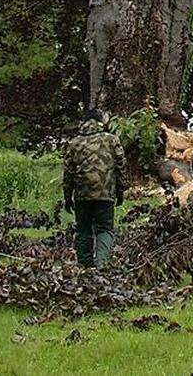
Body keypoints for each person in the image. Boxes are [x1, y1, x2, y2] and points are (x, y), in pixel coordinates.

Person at [62, 109, 125, 268]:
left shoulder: (74, 143)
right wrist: (120, 192)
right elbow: (121, 167)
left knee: (83, 230)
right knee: (104, 229)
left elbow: (68, 173)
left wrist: (67, 197)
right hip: (106, 193)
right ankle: (101, 264)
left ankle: (84, 267)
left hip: (82, 194)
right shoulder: (112, 140)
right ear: (101, 123)